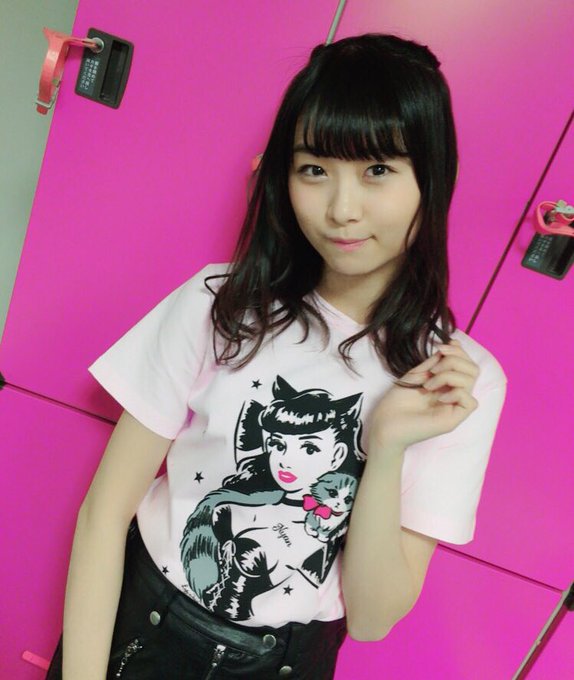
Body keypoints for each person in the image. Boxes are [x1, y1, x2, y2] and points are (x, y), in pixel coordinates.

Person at [46, 33, 507, 680]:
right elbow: (104, 515)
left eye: (377, 170)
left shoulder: (457, 383)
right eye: (314, 169)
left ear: (432, 178)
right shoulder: (221, 304)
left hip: (288, 663)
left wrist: (387, 446)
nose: (342, 209)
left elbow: (371, 620)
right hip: (141, 630)